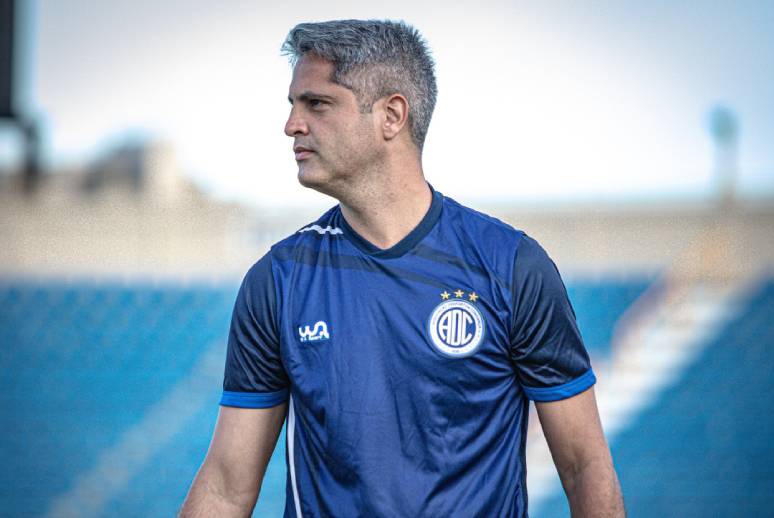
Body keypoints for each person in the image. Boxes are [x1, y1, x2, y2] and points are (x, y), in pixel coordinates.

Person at [181, 19, 624, 518]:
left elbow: (585, 466)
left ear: (391, 115)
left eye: (317, 104)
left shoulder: (511, 267)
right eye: (293, 105)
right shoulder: (279, 280)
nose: (292, 125)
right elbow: (226, 487)